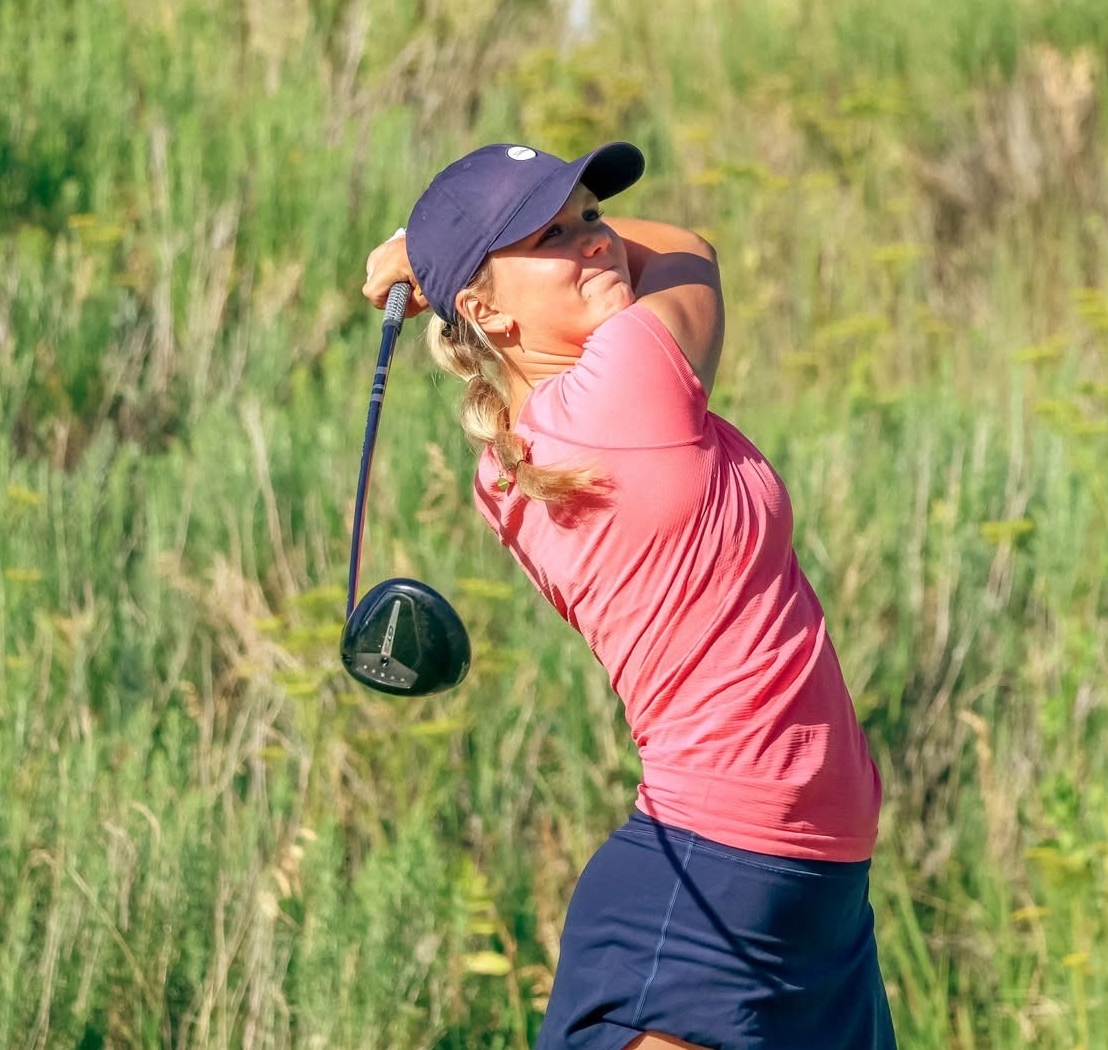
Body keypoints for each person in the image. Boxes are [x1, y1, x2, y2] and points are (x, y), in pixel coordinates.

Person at [361, 141, 895, 1050]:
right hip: (722, 874)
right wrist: (423, 249)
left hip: (797, 879)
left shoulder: (511, 463)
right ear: (485, 307)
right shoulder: (627, 387)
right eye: (552, 233)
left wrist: (450, 262)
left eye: (593, 217)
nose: (597, 243)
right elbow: (687, 249)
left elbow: (638, 264)